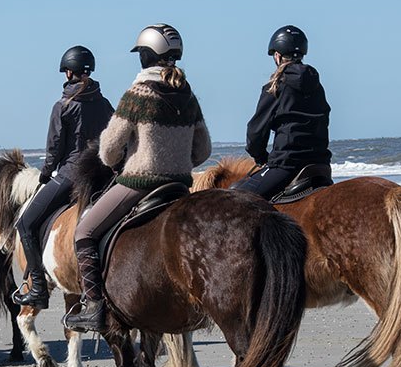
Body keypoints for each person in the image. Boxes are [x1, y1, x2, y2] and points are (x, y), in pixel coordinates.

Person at [64, 24, 211, 332]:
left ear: (146, 55)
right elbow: (203, 150)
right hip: (179, 186)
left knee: (85, 232)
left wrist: (119, 162)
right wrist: (178, 162)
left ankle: (93, 307)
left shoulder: (138, 93)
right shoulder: (188, 95)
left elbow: (109, 148)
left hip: (138, 184)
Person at [11, 45, 114, 309]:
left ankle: (37, 287)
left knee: (25, 224)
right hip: (102, 177)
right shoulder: (105, 104)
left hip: (71, 174)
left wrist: (45, 175)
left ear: (68, 72)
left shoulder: (63, 105)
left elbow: (54, 148)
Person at [231, 25, 331, 199]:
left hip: (287, 165)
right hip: (321, 165)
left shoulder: (275, 87)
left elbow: (255, 132)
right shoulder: (317, 86)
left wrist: (261, 158)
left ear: (277, 56)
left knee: (236, 200)